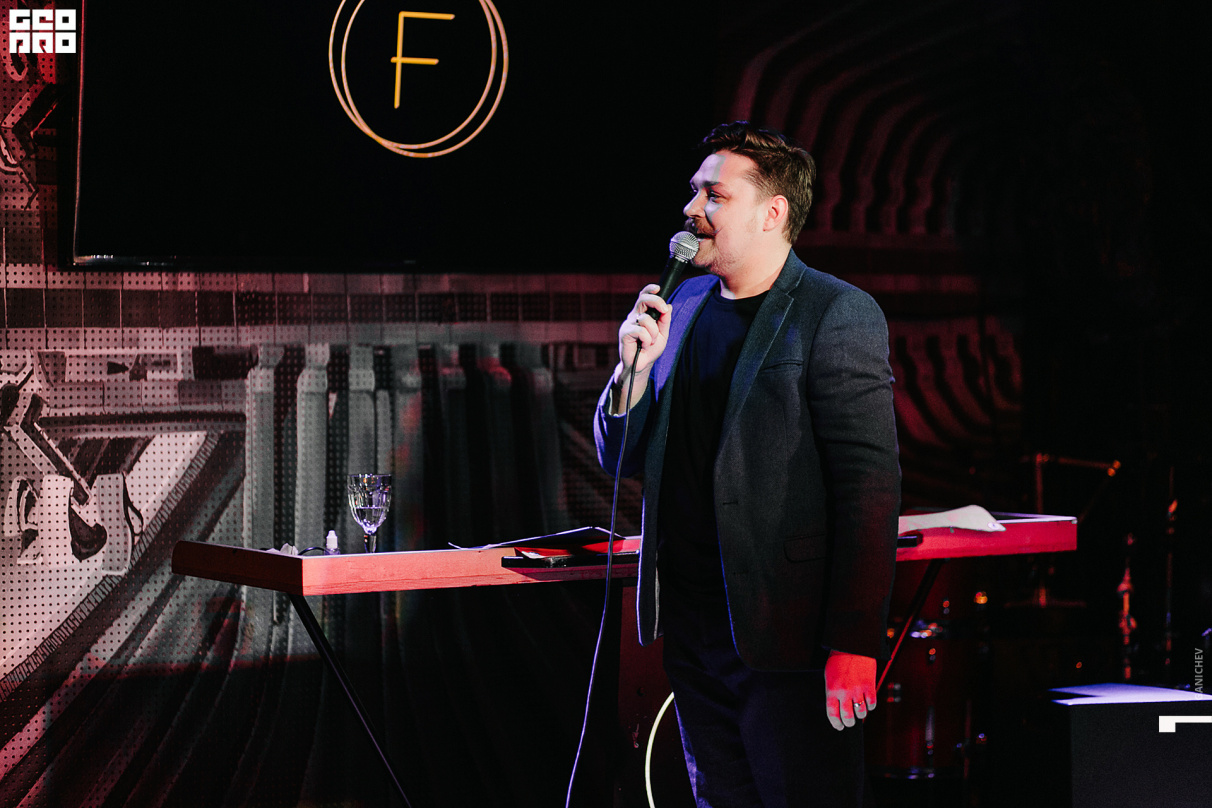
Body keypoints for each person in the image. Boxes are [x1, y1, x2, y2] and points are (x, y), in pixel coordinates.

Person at [594, 122, 900, 807]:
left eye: (714, 194)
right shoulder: (682, 306)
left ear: (772, 212)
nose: (691, 208)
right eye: (694, 191)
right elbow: (621, 456)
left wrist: (855, 642)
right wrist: (631, 373)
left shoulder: (835, 312)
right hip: (694, 629)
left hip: (789, 634)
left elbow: (870, 488)